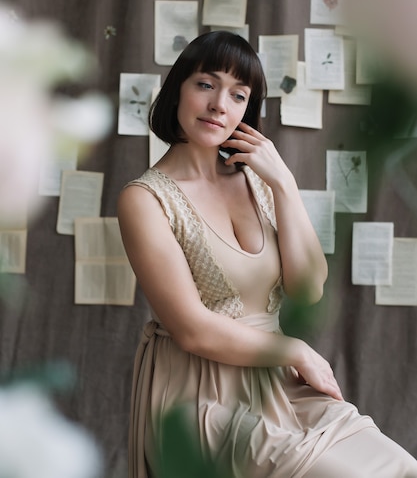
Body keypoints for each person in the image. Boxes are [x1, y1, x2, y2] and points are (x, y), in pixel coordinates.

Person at [118, 31, 417, 477]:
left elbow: (308, 288)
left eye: (239, 94)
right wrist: (296, 350)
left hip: (278, 386)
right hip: (202, 395)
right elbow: (193, 330)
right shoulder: (144, 199)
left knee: (399, 466)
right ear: (177, 88)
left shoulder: (256, 180)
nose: (221, 103)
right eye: (206, 84)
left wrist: (284, 184)